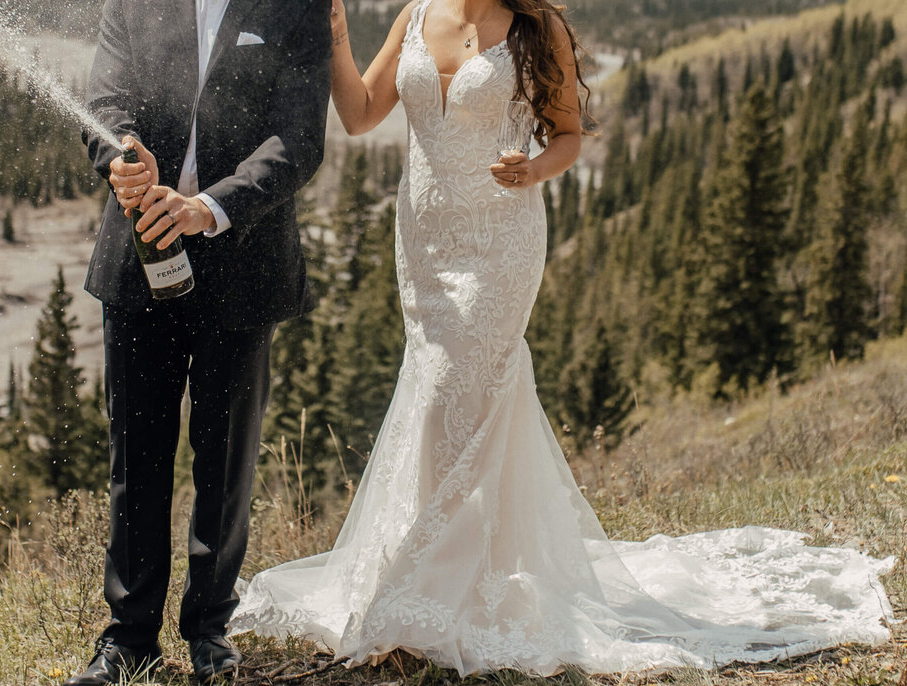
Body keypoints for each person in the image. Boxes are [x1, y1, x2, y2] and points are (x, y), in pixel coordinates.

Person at [230, 0, 896, 677]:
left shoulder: (535, 27)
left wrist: (533, 170)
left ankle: (433, 590)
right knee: (438, 397)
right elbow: (360, 113)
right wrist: (339, 37)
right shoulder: (413, 15)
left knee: (451, 395)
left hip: (501, 241)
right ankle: (449, 576)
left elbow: (570, 136)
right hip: (425, 243)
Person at [69, 0, 331, 684]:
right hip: (138, 258)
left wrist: (207, 208)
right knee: (138, 457)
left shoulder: (296, 7)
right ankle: (129, 637)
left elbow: (299, 140)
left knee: (225, 460)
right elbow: (106, 102)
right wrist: (121, 156)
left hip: (243, 263)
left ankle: (211, 632)